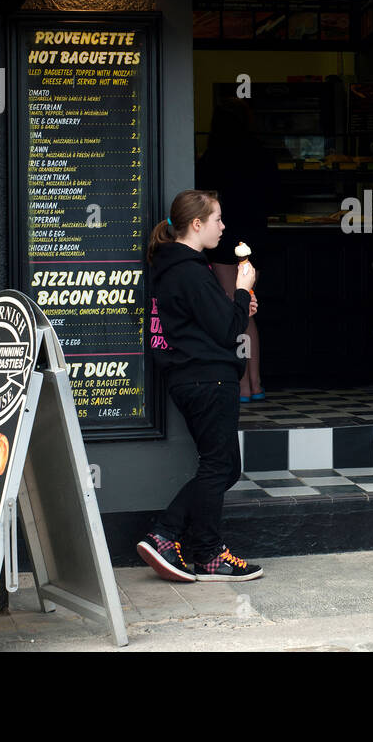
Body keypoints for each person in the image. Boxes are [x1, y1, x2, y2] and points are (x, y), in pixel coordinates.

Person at [137, 189, 264, 582]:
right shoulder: (190, 268)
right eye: (217, 220)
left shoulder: (174, 266)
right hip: (208, 377)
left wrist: (239, 307)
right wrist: (243, 290)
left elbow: (208, 320)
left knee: (224, 467)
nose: (223, 227)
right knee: (219, 465)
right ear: (196, 224)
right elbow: (227, 330)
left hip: (190, 376)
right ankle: (178, 540)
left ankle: (196, 547)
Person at [195, 102, 277, 401]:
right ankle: (254, 382)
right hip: (256, 237)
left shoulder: (212, 158)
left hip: (224, 239)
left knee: (236, 309)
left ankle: (242, 383)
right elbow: (277, 195)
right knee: (248, 309)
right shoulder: (260, 153)